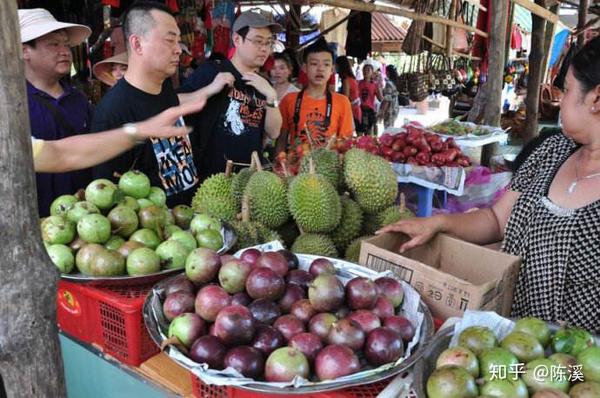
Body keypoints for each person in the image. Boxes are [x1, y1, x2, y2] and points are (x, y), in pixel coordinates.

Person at [378, 37, 600, 331]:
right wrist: (438, 223)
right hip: (512, 343)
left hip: (580, 363)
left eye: (568, 89)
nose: (561, 98)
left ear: (596, 99)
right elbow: (497, 220)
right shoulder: (551, 152)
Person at [91, 1, 234, 207]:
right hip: (156, 233)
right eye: (169, 41)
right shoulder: (112, 114)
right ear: (137, 44)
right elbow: (106, 200)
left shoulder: (165, 90)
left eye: (178, 41)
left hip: (191, 221)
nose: (179, 50)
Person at [179, 11, 283, 180]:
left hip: (247, 180)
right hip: (209, 178)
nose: (264, 48)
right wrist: (210, 89)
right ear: (237, 40)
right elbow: (174, 102)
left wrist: (271, 96)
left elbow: (274, 133)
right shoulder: (213, 70)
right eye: (258, 41)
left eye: (269, 43)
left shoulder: (264, 85)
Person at [19, 8, 94, 217]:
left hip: (84, 220)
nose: (65, 51)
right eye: (53, 44)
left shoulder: (78, 100)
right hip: (33, 220)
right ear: (25, 51)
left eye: (66, 45)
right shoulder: (13, 106)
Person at [34, 101, 203, 173]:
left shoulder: (77, 98)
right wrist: (141, 130)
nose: (178, 50)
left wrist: (141, 130)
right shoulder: (110, 108)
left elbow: (60, 153)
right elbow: (62, 155)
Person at [276, 38, 354, 153]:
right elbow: (281, 139)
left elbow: (346, 144)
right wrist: (278, 166)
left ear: (332, 69)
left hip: (329, 169)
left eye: (326, 64)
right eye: (314, 64)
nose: (320, 69)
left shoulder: (342, 102)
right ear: (304, 68)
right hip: (295, 168)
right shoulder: (289, 100)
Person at [335, 55, 362, 130]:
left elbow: (345, 99)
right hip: (355, 110)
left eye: (336, 65)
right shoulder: (351, 78)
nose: (335, 67)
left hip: (352, 111)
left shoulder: (346, 80)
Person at [358, 63, 383, 135]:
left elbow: (380, 99)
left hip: (370, 111)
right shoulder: (358, 83)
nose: (366, 72)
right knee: (359, 132)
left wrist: (379, 88)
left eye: (368, 70)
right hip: (359, 110)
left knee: (369, 133)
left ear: (372, 72)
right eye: (364, 70)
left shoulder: (375, 85)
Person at [378, 65, 400, 129]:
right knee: (391, 127)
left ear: (388, 72)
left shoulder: (389, 84)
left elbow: (387, 99)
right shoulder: (395, 82)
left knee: (388, 129)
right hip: (395, 107)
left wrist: (382, 111)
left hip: (390, 109)